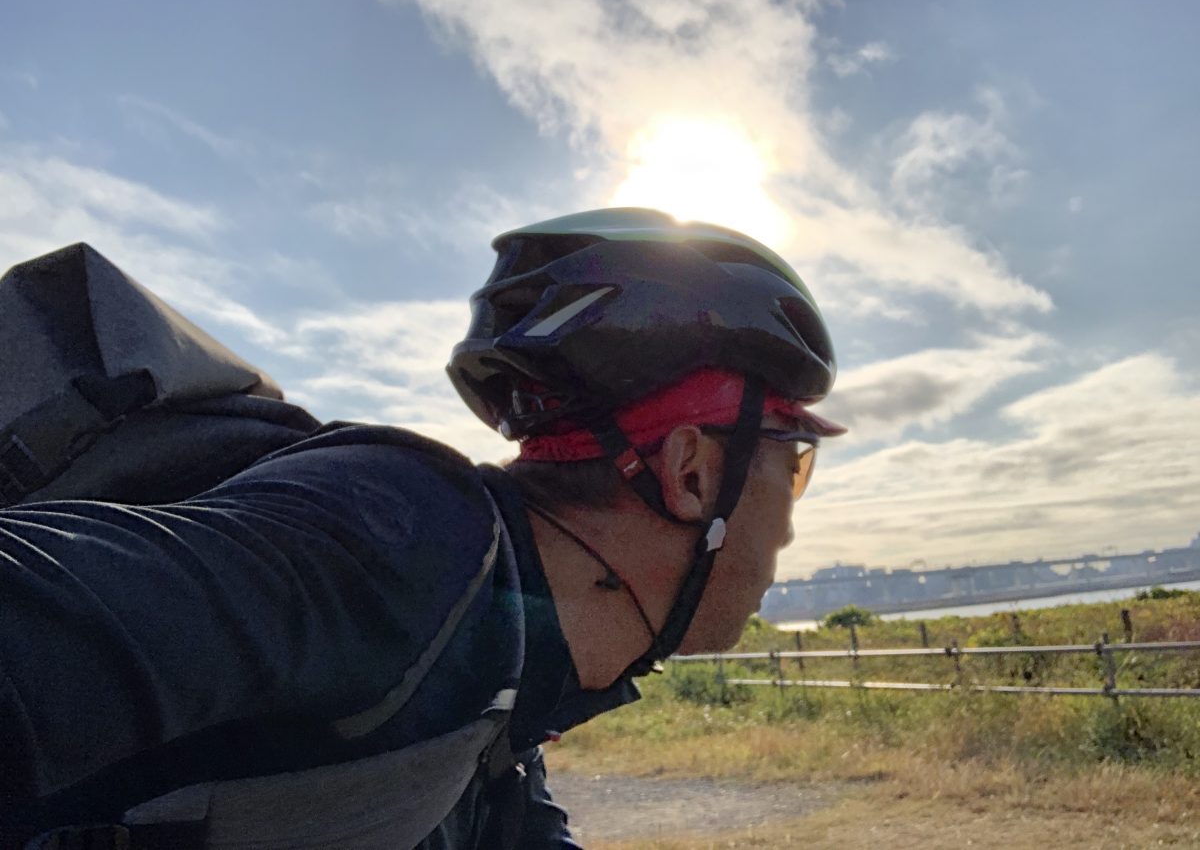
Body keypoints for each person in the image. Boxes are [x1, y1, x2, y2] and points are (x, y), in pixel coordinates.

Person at [0, 207, 844, 849]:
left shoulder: (503, 678)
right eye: (795, 460)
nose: (790, 527)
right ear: (692, 471)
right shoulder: (394, 540)